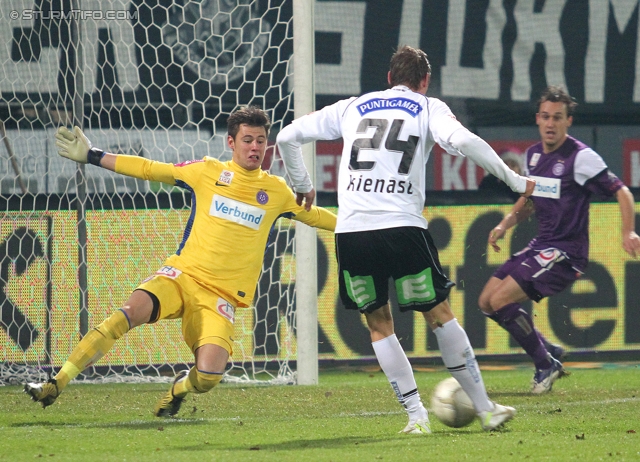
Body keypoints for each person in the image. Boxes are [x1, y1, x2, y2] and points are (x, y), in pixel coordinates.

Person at [277, 45, 535, 433]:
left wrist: (302, 185)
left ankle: (416, 418)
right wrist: (515, 181)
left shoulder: (352, 107)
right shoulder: (428, 107)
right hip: (402, 227)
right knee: (439, 315)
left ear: (388, 78)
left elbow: (285, 137)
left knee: (379, 324)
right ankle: (485, 409)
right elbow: (465, 143)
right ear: (425, 81)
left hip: (353, 231)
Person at [24, 106, 337, 417]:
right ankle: (56, 383)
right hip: (181, 276)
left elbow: (318, 217)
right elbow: (149, 168)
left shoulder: (276, 191)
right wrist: (93, 154)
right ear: (231, 143)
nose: (255, 147)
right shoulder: (206, 172)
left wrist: (368, 225)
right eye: (247, 140)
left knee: (209, 377)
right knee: (129, 313)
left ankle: (179, 388)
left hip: (220, 296)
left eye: (260, 140)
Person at [478, 85, 640, 394]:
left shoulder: (581, 157)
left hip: (566, 252)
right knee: (486, 302)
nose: (551, 123)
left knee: (501, 300)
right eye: (546, 116)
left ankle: (545, 363)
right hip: (541, 245)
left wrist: (628, 231)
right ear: (537, 119)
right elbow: (531, 198)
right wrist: (506, 223)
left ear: (568, 121)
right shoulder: (533, 154)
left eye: (558, 117)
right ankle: (546, 349)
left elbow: (622, 192)